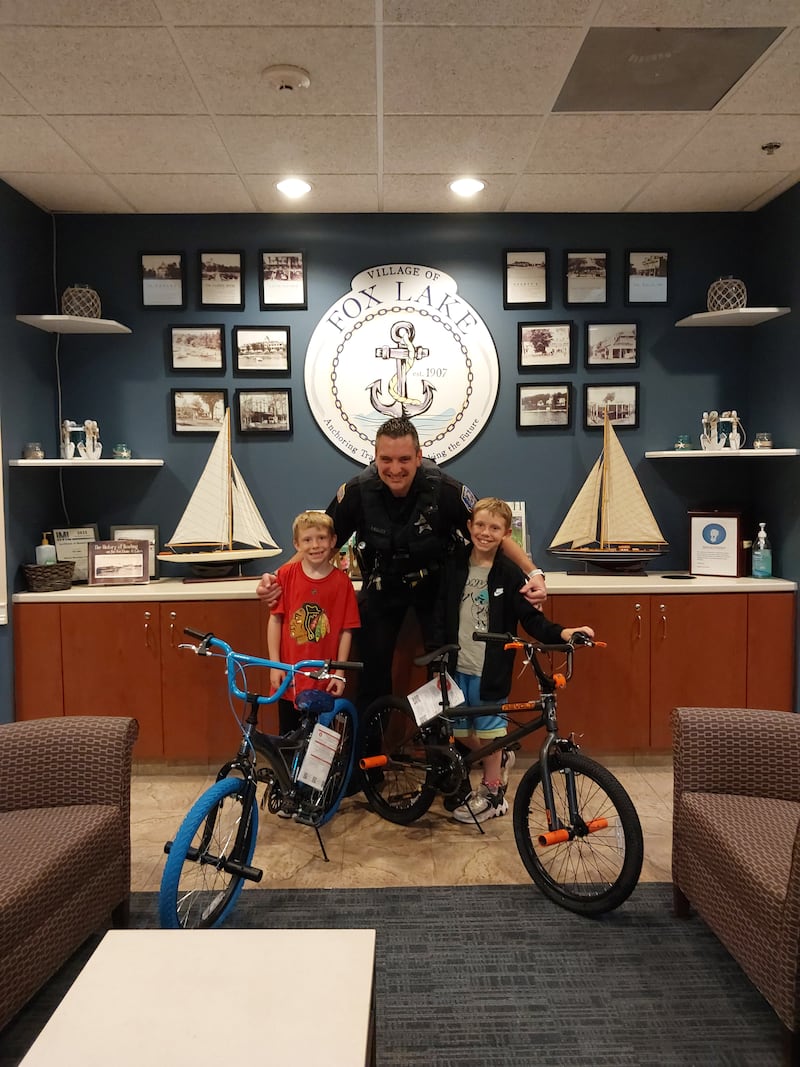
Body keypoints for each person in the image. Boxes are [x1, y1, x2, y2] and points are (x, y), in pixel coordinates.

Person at [258, 418, 547, 726]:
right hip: (382, 589)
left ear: (419, 457)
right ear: (375, 456)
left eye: (404, 459)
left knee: (443, 671)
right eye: (386, 459)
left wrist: (534, 572)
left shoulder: (444, 490)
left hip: (435, 590)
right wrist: (276, 577)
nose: (395, 468)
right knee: (371, 672)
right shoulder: (357, 491)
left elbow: (494, 533)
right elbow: (317, 541)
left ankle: (446, 757)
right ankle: (371, 761)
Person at [434, 497, 594, 824]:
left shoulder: (509, 574)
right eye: (480, 525)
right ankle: (501, 755)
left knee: (491, 735)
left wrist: (564, 633)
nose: (485, 533)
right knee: (462, 731)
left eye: (494, 528)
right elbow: (437, 613)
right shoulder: (453, 565)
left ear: (507, 533)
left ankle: (493, 794)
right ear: (469, 527)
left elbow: (531, 620)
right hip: (455, 666)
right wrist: (436, 652)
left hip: (489, 669)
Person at [266, 510, 360, 736]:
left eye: (321, 538)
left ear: (333, 541)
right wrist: (274, 665)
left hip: (324, 680)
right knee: (289, 737)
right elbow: (275, 620)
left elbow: (346, 630)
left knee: (320, 741)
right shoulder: (286, 575)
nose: (315, 545)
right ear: (297, 544)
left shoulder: (341, 583)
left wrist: (339, 672)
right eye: (307, 539)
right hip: (290, 677)